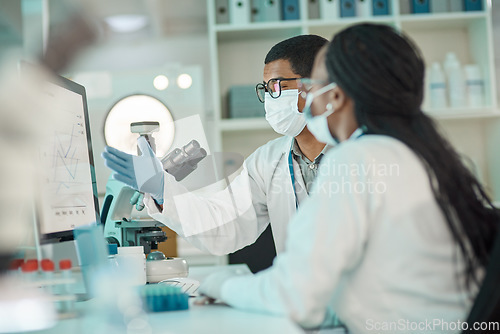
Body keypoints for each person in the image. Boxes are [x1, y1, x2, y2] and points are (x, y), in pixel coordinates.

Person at [197, 23, 500, 332]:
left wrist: (221, 284)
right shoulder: (423, 152)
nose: (306, 97)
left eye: (312, 85)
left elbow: (296, 297)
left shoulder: (358, 159)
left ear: (336, 94)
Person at [102, 35, 331, 271]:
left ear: (316, 84)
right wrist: (163, 191)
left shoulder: (360, 155)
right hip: (302, 299)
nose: (270, 98)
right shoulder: (268, 161)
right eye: (266, 88)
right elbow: (222, 226)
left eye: (277, 85)